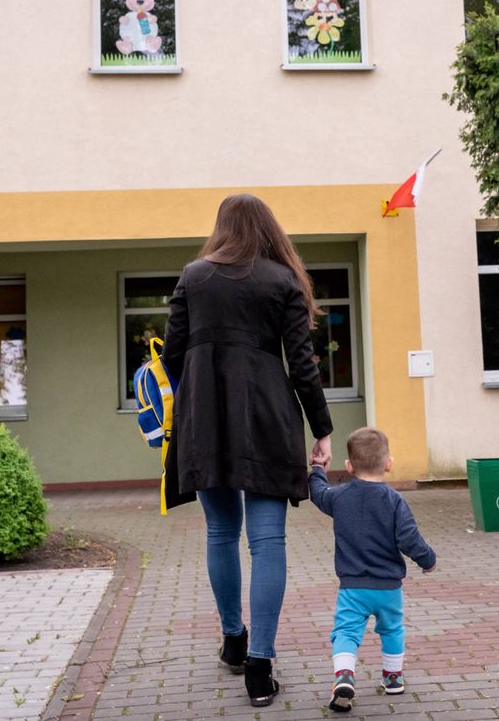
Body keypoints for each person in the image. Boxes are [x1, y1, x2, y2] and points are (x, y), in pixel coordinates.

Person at [163, 193, 334, 707]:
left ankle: (233, 641)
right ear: (267, 229)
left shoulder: (193, 276)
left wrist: (198, 387)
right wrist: (322, 429)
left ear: (222, 227)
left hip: (205, 420)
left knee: (220, 531)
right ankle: (260, 667)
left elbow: (172, 354)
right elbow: (302, 365)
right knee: (268, 542)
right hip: (266, 417)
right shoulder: (282, 280)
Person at [309, 427, 436, 714]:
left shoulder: (339, 496)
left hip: (353, 587)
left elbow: (318, 494)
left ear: (349, 466)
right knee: (392, 629)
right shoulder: (394, 500)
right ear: (389, 464)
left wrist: (317, 469)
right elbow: (409, 538)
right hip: (388, 587)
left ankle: (344, 677)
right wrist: (427, 560)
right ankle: (393, 678)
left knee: (346, 631)